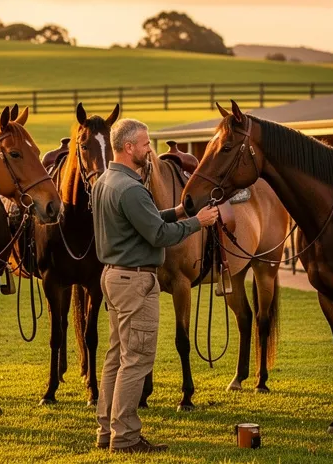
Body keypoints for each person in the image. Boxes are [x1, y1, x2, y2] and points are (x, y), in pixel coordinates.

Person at [90, 118, 219, 453]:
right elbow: (157, 235)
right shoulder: (132, 188)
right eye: (146, 144)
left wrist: (177, 211)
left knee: (116, 357)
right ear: (129, 147)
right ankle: (127, 437)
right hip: (135, 280)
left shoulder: (107, 181)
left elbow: (142, 219)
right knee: (137, 359)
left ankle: (107, 431)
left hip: (114, 276)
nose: (151, 150)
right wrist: (197, 222)